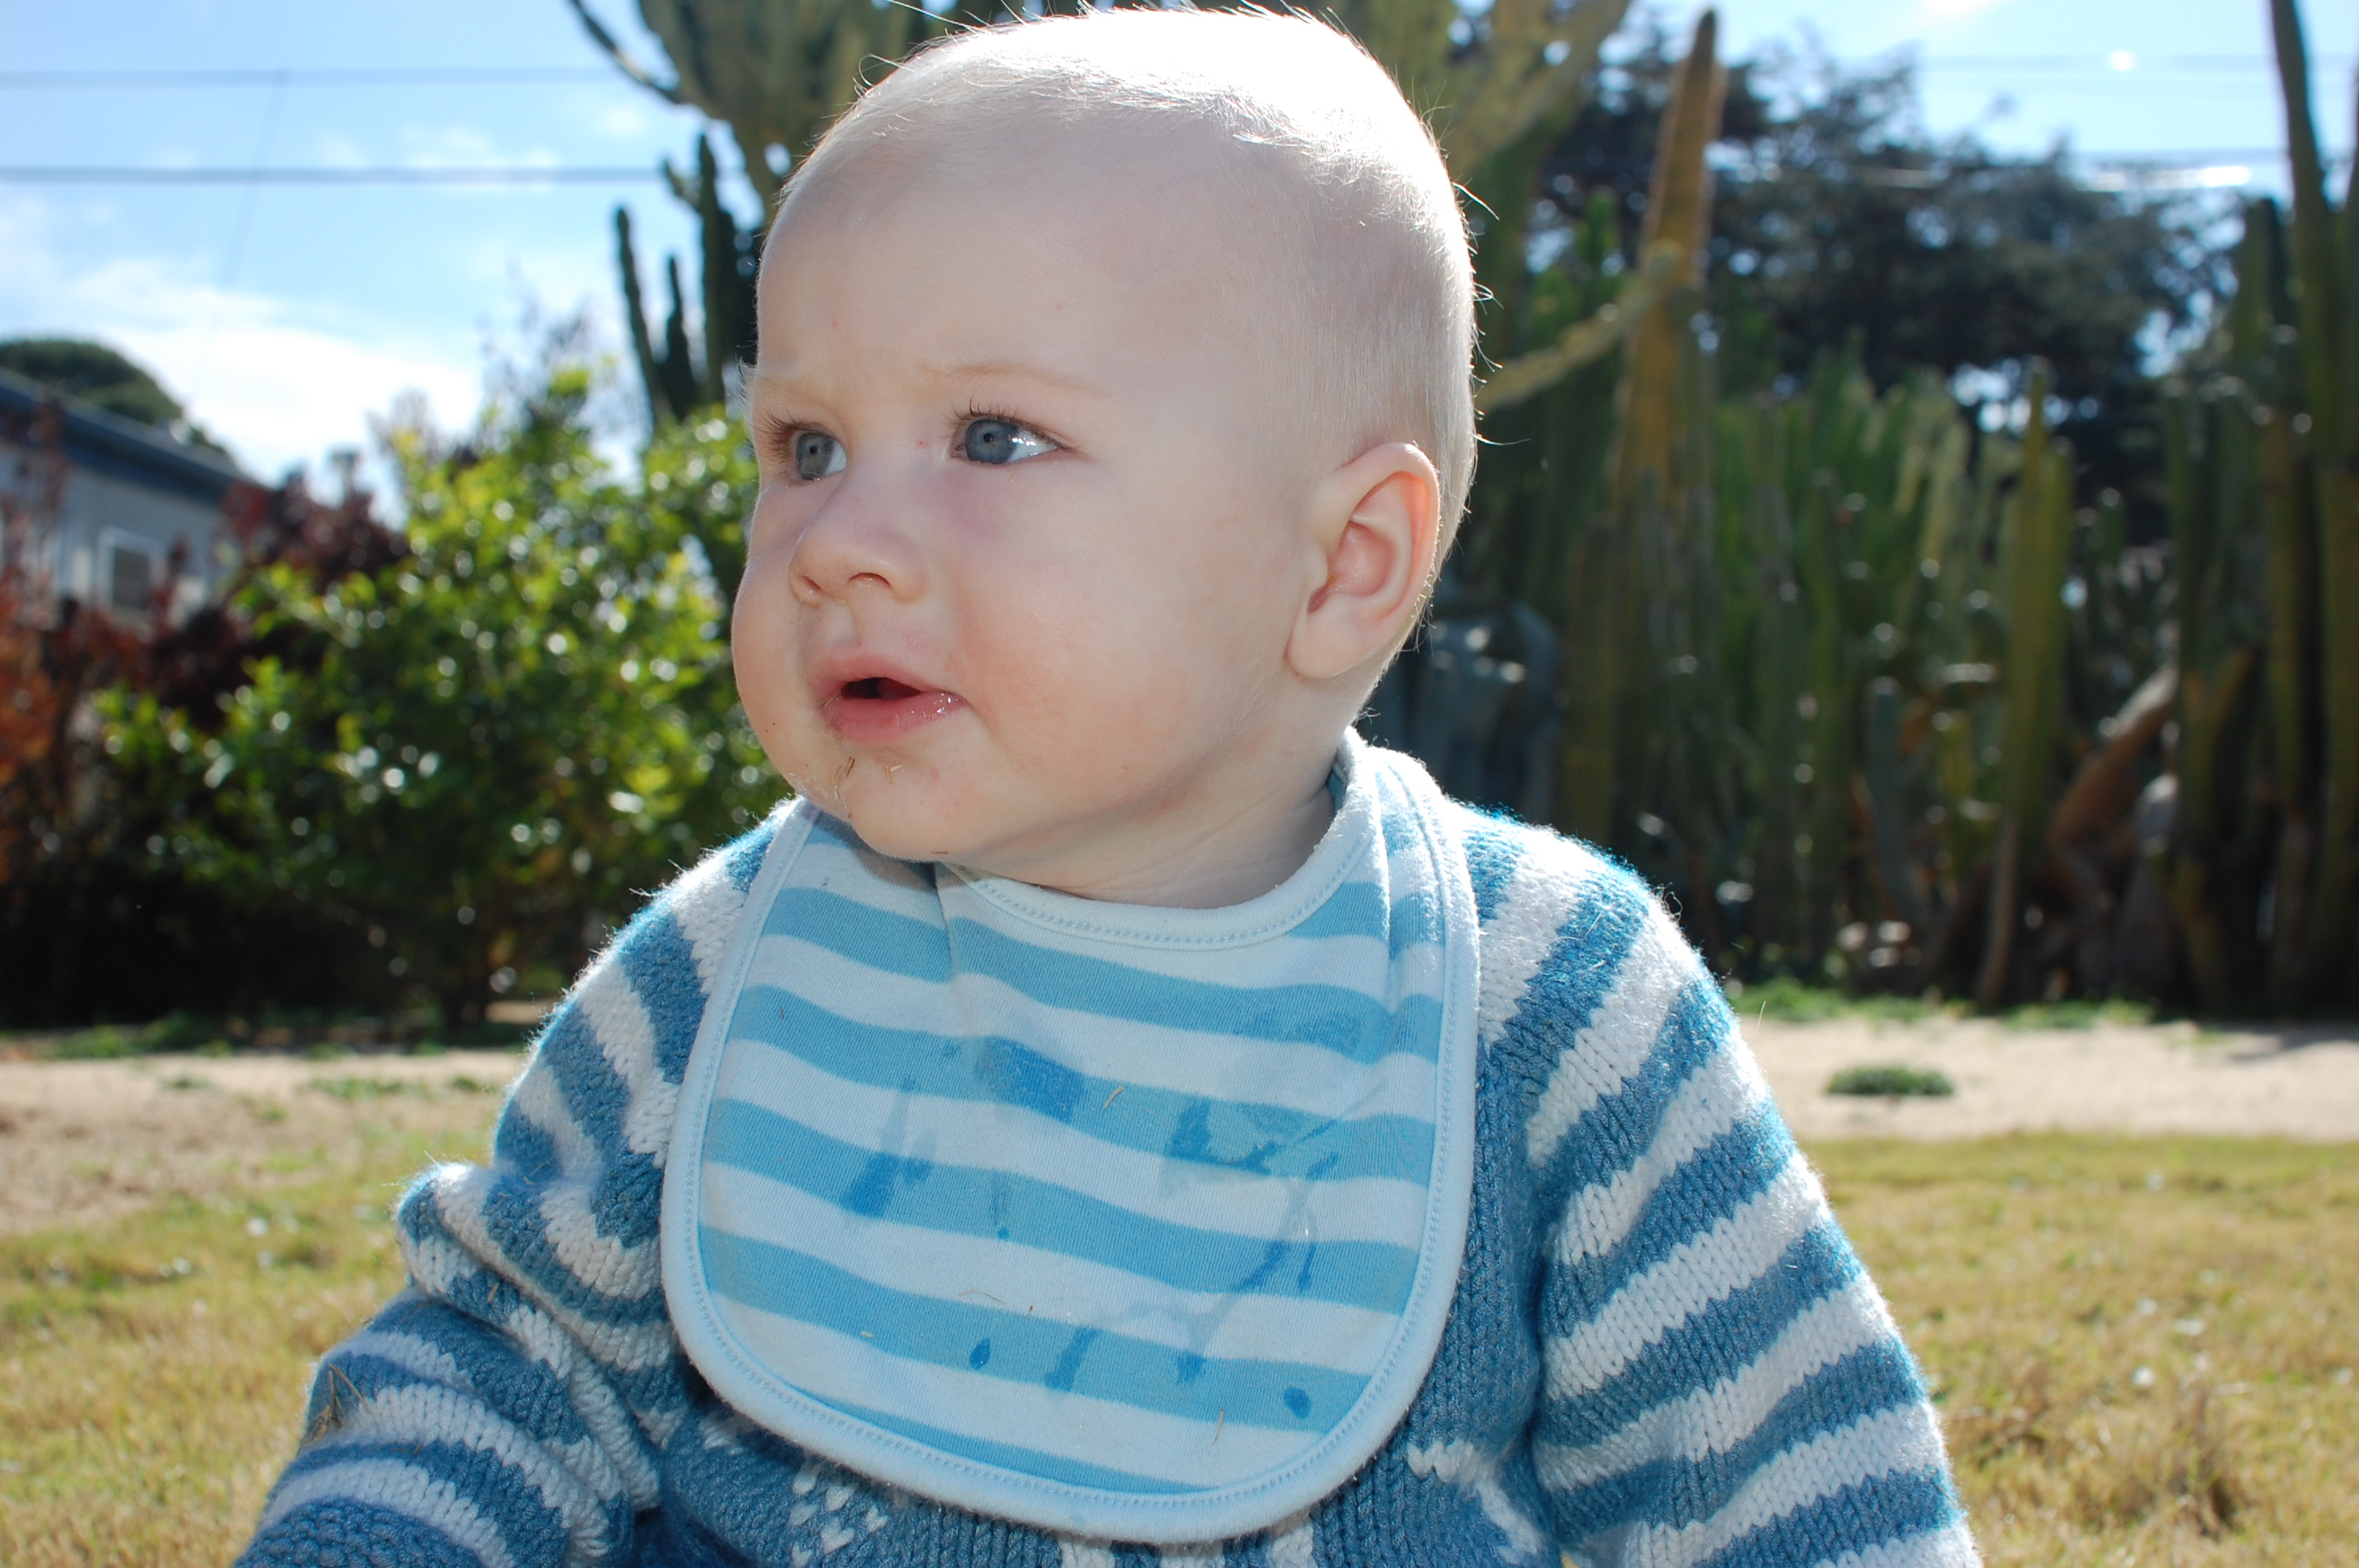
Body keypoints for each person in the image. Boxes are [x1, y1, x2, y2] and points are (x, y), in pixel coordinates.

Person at [237, 12, 1976, 1566]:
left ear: (1344, 564)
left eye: (994, 437)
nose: (837, 540)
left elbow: (1793, 1489)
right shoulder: (728, 966)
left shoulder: (1547, 1004)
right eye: (806, 446)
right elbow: (499, 1372)